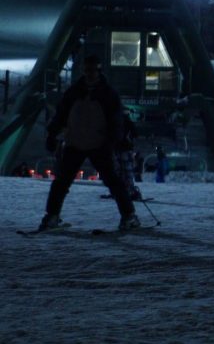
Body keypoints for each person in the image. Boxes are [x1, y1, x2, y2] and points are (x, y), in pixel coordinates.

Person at [38, 55, 139, 231]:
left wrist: (116, 139)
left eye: (92, 70)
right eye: (87, 70)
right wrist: (52, 134)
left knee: (112, 181)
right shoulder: (75, 92)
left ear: (98, 71)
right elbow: (61, 114)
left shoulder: (106, 94)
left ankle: (128, 216)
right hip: (76, 141)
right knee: (62, 182)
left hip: (98, 143)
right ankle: (52, 216)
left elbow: (115, 120)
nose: (90, 74)